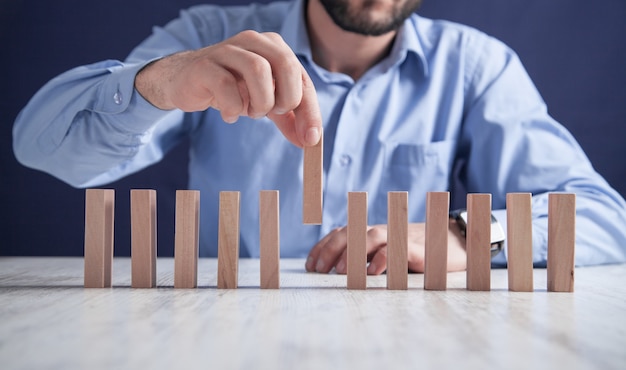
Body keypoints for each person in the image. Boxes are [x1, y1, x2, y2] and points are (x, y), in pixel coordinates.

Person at [13, 0, 626, 274]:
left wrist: (463, 234)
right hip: (218, 338)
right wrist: (160, 82)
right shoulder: (211, 35)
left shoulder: (476, 67)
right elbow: (41, 149)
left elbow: (602, 217)